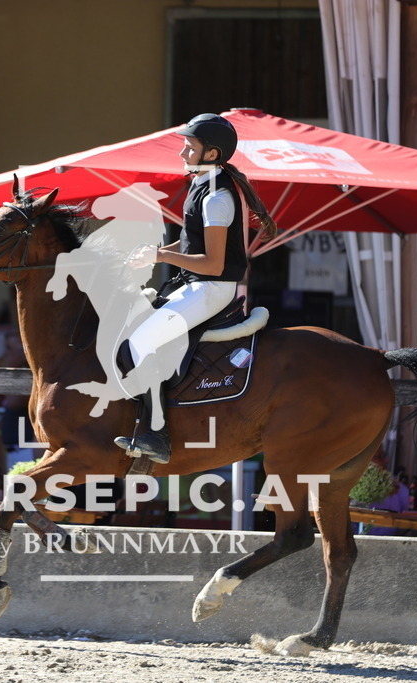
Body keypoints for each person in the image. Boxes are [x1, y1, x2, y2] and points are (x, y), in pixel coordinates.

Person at [114, 113, 276, 464]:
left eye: (190, 147)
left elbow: (213, 264)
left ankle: (156, 435)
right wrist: (153, 256)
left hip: (212, 288)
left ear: (213, 154)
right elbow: (191, 247)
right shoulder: (203, 185)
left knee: (140, 343)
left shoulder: (217, 197)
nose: (182, 153)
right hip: (196, 283)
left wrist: (159, 254)